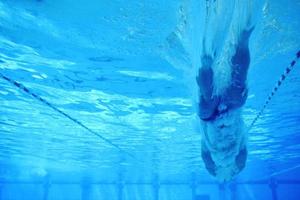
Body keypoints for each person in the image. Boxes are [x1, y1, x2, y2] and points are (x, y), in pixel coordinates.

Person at [197, 26, 254, 181]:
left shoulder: (234, 167)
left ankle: (242, 41)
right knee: (209, 102)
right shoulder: (231, 168)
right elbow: (204, 148)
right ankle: (207, 67)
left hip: (220, 118)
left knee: (234, 87)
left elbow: (204, 146)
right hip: (218, 118)